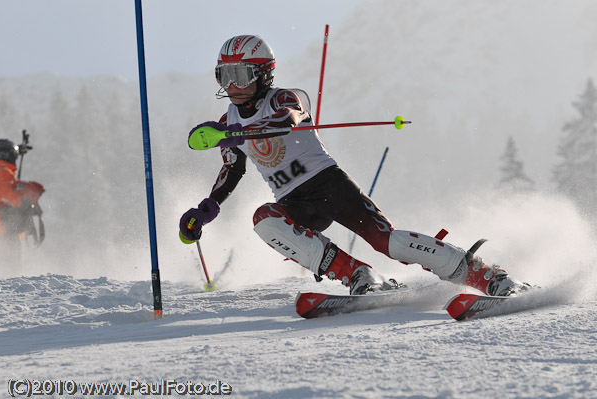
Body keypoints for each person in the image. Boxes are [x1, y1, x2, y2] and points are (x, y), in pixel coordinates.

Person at [179, 35, 530, 296]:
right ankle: (360, 275)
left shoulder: (285, 97)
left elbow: (289, 117)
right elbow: (232, 169)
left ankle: (488, 276)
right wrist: (206, 208)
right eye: (224, 76)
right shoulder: (229, 120)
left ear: (263, 74)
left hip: (329, 185)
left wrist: (234, 131)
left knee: (387, 241)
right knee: (264, 220)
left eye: (241, 74)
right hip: (294, 201)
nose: (233, 86)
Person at [0, 138, 45, 267]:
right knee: (10, 267)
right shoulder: (1, 170)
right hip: (3, 230)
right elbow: (7, 195)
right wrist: (25, 198)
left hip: (5, 230)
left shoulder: (3, 170)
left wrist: (18, 149)